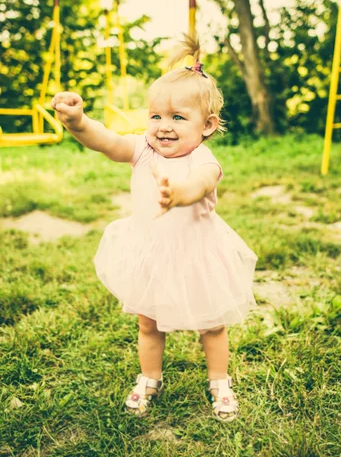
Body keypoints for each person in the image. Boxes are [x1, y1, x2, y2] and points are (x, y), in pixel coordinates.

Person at [51, 35, 258, 423]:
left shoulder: (204, 159)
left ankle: (219, 381)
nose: (164, 127)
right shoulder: (142, 149)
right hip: (150, 253)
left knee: (211, 325)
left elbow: (200, 185)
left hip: (198, 256)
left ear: (208, 125)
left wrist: (177, 194)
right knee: (148, 322)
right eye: (156, 116)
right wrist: (78, 122)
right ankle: (149, 377)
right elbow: (107, 141)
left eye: (178, 118)